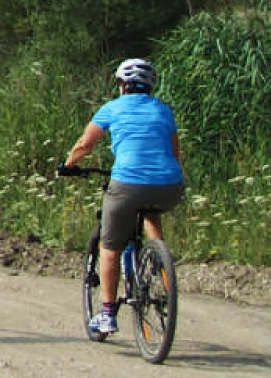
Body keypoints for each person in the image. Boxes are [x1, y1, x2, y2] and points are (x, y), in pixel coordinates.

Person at [61, 57, 184, 337]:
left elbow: (85, 144)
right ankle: (160, 266)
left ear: (121, 85)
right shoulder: (163, 110)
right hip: (169, 186)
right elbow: (175, 152)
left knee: (110, 247)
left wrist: (67, 166)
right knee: (150, 211)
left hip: (127, 183)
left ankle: (107, 314)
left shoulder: (112, 108)